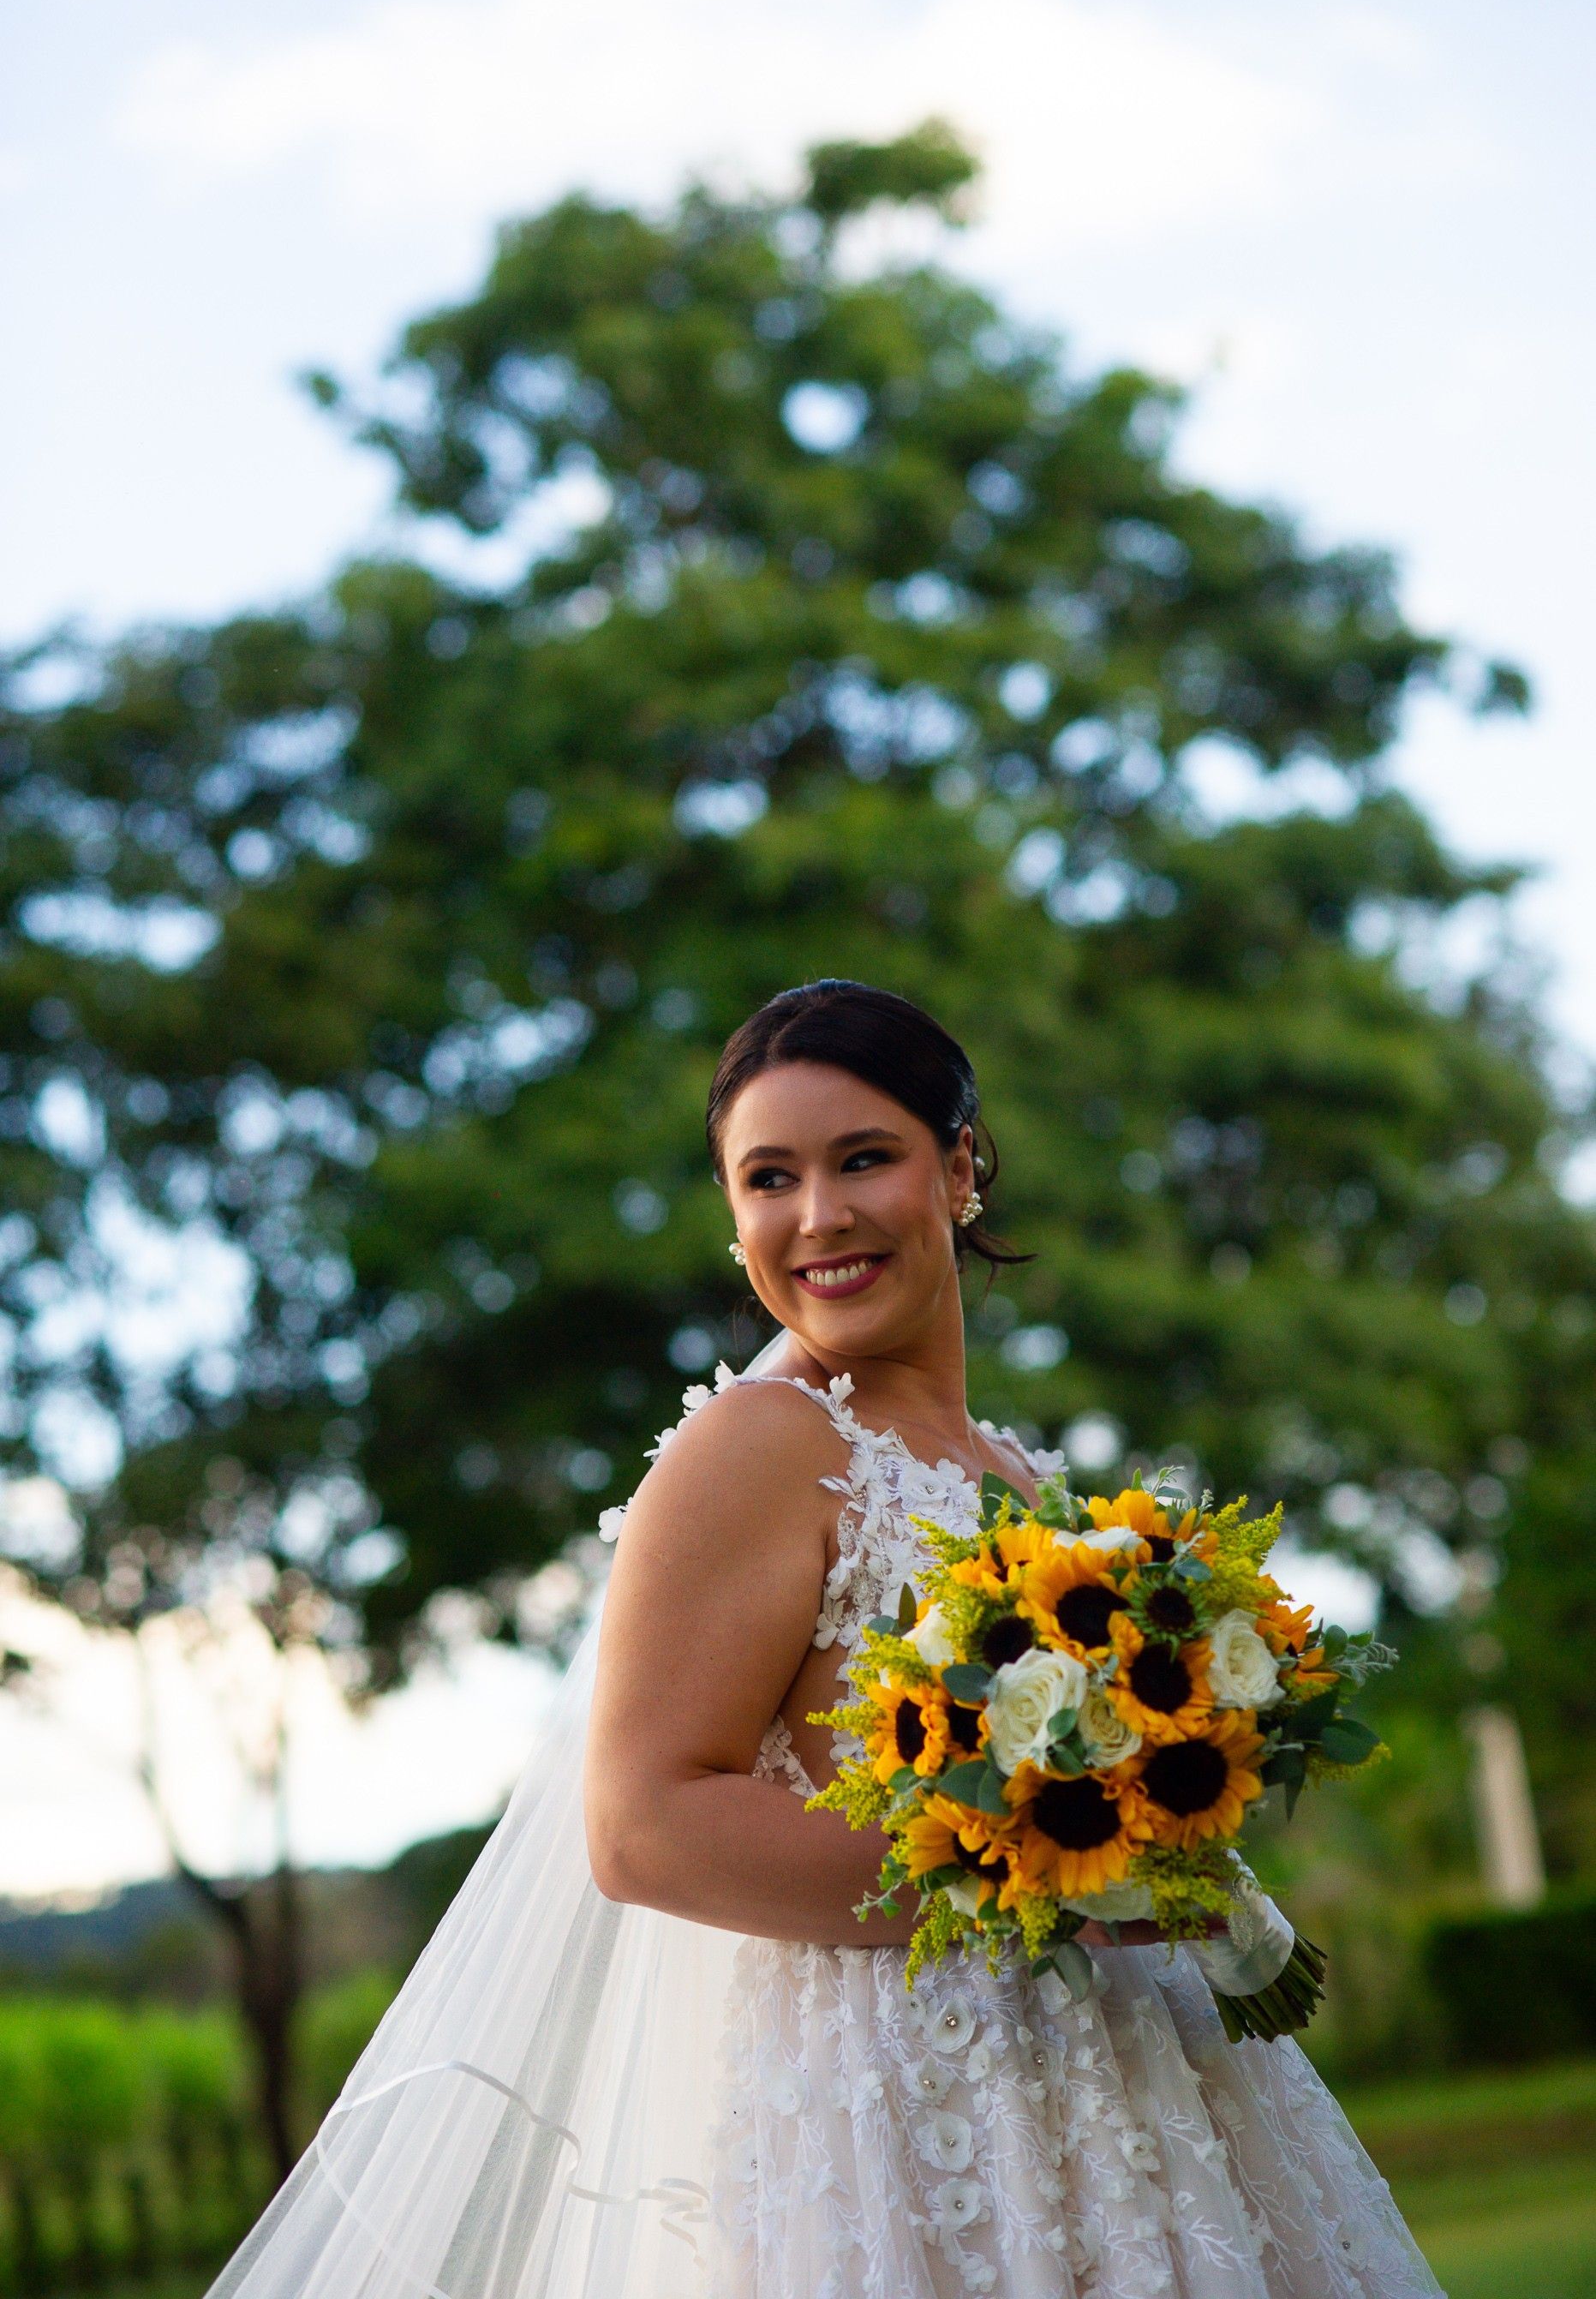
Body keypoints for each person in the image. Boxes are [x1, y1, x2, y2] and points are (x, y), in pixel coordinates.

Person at [207, 979, 1444, 2299]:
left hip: (1140, 2077)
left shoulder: (1020, 1477)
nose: (819, 1218)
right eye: (768, 1179)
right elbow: (643, 1828)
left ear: (962, 1169)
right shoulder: (755, 1447)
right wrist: (1038, 1877)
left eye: (864, 1159)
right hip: (910, 2106)